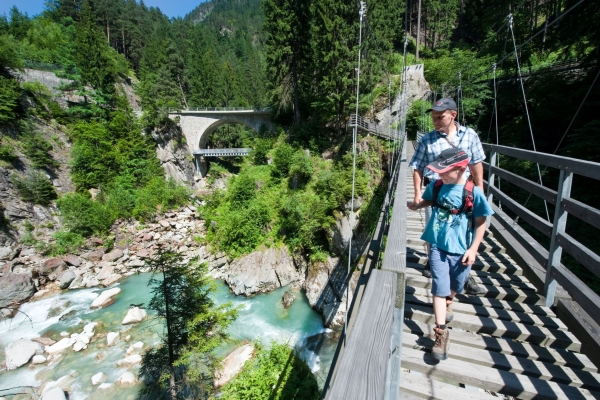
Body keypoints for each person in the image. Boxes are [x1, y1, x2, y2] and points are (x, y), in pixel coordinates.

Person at [407, 148, 493, 360]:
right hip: (437, 244)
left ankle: (448, 301)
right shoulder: (437, 185)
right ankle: (441, 332)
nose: (440, 175)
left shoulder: (473, 192)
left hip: (461, 249)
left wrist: (473, 249)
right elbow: (429, 199)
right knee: (439, 285)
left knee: (458, 284)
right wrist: (418, 205)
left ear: (461, 169)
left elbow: (481, 222)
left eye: (445, 171)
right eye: (438, 171)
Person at [409, 97, 486, 295]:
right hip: (435, 194)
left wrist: (480, 190)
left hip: (464, 194)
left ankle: (462, 274)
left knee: (464, 232)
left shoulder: (470, 136)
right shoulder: (427, 139)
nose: (435, 120)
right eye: (433, 117)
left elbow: (476, 164)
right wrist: (418, 194)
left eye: (440, 117)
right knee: (435, 232)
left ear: (453, 115)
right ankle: (439, 270)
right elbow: (417, 166)